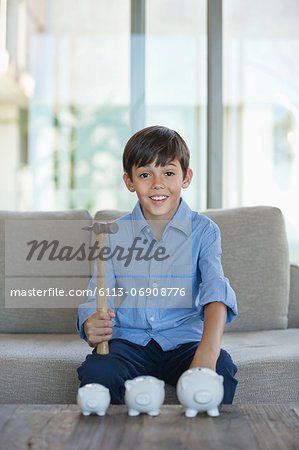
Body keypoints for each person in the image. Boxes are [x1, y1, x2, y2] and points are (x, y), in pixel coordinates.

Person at [76, 125, 238, 405]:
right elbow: (98, 294)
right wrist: (91, 321)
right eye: (145, 175)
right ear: (129, 181)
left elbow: (215, 291)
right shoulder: (111, 236)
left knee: (221, 370)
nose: (158, 184)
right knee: (98, 371)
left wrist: (207, 353)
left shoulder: (205, 231)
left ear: (186, 177)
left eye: (169, 173)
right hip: (128, 343)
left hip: (183, 343)